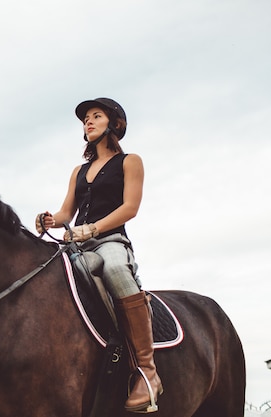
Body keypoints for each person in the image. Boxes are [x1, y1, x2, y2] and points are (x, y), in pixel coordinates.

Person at [35, 98, 162, 413]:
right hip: (78, 244)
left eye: (96, 116)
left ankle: (147, 370)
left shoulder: (130, 162)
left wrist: (91, 229)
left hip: (111, 240)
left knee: (116, 269)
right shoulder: (79, 171)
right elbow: (67, 212)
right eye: (85, 119)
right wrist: (51, 220)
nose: (88, 122)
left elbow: (130, 208)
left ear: (114, 124)